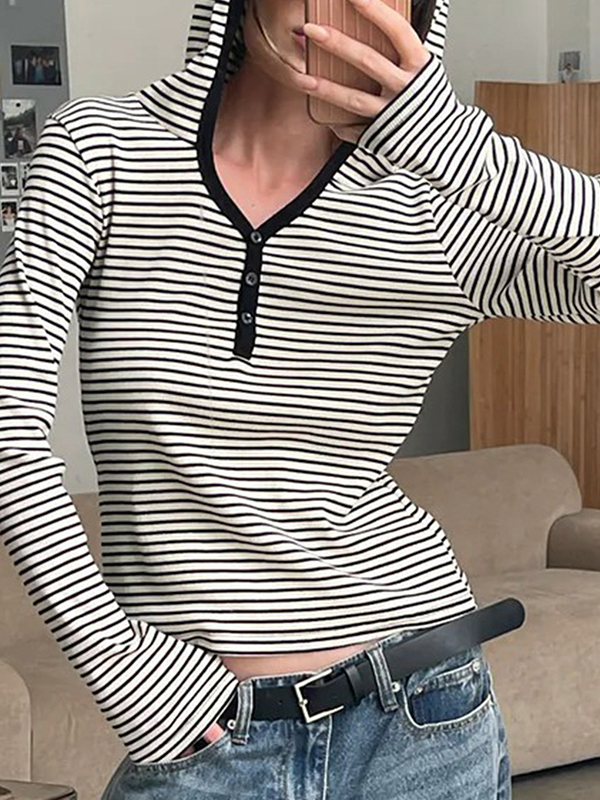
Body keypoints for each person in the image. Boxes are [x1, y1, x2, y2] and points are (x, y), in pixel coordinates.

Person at [1, 0, 599, 797]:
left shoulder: (441, 207)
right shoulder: (102, 151)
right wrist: (121, 663)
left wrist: (459, 148)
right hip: (202, 739)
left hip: (424, 715)